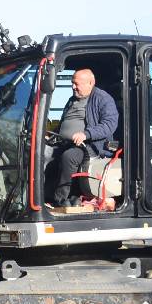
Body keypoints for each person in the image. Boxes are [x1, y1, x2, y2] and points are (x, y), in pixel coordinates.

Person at [50, 69, 119, 207]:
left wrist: (86, 134)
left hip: (91, 146)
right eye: (72, 83)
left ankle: (60, 200)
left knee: (69, 156)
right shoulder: (72, 100)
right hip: (64, 142)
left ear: (90, 83)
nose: (73, 87)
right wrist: (53, 133)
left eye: (76, 83)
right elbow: (66, 121)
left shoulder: (103, 99)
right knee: (41, 155)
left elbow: (109, 124)